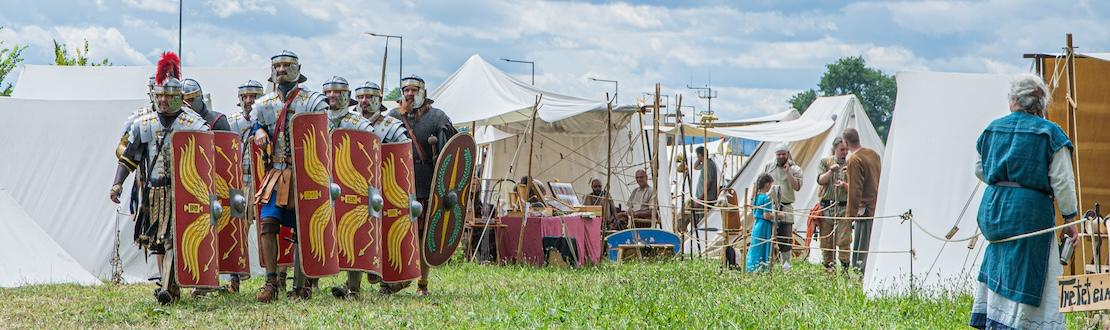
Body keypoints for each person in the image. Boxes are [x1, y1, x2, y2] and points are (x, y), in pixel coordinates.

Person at [969, 74, 1077, 329]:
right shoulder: (1050, 133)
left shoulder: (992, 129)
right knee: (1033, 267)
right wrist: (1070, 219)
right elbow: (1062, 180)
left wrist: (1004, 182)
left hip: (994, 209)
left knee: (1001, 261)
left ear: (1014, 101)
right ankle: (1023, 324)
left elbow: (980, 169)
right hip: (1029, 214)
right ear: (1041, 103)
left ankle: (996, 320)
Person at [108, 52, 209, 304]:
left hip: (184, 192)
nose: (163, 100)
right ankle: (167, 284)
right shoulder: (144, 123)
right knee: (159, 241)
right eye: (160, 95)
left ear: (178, 97)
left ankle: (168, 288)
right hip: (155, 192)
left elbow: (208, 160)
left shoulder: (193, 124)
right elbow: (129, 157)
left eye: (168, 96)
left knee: (174, 237)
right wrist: (117, 183)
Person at [251, 50, 330, 302]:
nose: (281, 70)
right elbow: (256, 124)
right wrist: (259, 130)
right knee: (267, 225)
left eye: (286, 65)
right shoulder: (264, 104)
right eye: (277, 66)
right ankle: (271, 282)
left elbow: (324, 133)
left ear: (298, 69)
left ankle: (302, 283)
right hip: (276, 173)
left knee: (303, 228)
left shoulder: (313, 101)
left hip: (304, 175)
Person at [387, 75, 457, 296]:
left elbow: (450, 151)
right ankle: (397, 277)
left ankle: (422, 283)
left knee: (422, 236)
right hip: (398, 185)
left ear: (423, 92)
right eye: (406, 90)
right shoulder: (392, 117)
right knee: (398, 233)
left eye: (414, 90)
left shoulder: (437, 117)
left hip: (426, 185)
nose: (410, 94)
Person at [843, 128, 881, 270]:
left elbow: (855, 191)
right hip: (877, 207)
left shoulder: (854, 159)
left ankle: (861, 274)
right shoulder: (874, 154)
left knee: (862, 249)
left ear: (845, 142)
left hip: (865, 211)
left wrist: (849, 216)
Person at [760, 143, 803, 271]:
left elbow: (797, 187)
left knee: (785, 240)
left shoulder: (795, 169)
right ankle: (766, 266)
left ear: (788, 154)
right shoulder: (769, 166)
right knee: (767, 238)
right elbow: (760, 183)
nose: (781, 156)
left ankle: (786, 268)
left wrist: (788, 172)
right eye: (778, 154)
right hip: (770, 207)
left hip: (786, 208)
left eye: (783, 154)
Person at [816, 137, 851, 272]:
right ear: (835, 148)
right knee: (826, 241)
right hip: (827, 208)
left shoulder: (851, 163)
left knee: (844, 240)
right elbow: (820, 180)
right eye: (842, 149)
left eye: (846, 150)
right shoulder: (825, 162)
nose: (845, 152)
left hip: (844, 207)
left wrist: (844, 185)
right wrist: (831, 171)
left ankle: (845, 271)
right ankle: (829, 272)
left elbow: (856, 187)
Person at [746, 174, 779, 272]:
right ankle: (761, 269)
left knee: (756, 247)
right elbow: (766, 215)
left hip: (757, 224)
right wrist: (778, 215)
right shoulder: (766, 198)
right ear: (767, 184)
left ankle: (752, 268)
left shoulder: (755, 197)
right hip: (764, 226)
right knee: (763, 248)